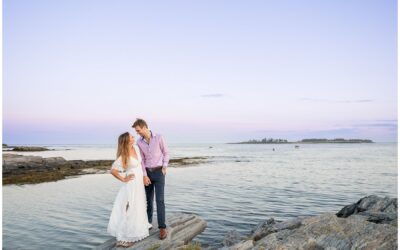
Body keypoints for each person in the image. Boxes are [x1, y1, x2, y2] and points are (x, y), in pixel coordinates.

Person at [107, 132, 152, 248]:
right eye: (131, 137)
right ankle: (121, 238)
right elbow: (113, 170)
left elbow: (140, 164)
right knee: (128, 207)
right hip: (131, 184)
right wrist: (123, 179)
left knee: (137, 206)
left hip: (138, 183)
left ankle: (134, 231)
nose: (133, 137)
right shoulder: (124, 155)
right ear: (127, 140)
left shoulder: (136, 148)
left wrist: (144, 176)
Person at [132, 118, 169, 240]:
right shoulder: (139, 142)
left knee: (160, 200)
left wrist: (164, 166)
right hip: (147, 173)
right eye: (136, 131)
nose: (137, 133)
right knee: (148, 201)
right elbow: (141, 160)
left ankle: (162, 228)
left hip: (159, 173)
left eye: (138, 130)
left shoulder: (159, 137)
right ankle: (147, 225)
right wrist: (144, 175)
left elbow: (166, 153)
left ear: (144, 127)